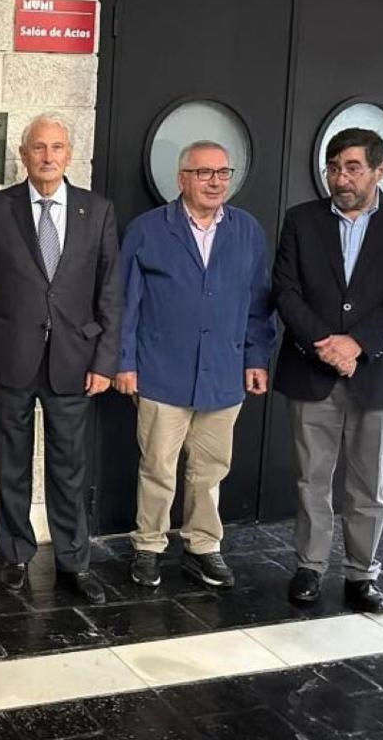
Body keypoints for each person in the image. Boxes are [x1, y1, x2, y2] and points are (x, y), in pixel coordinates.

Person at [0, 113, 121, 604]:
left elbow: (110, 292)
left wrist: (105, 361)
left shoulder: (98, 210)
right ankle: (15, 556)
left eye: (56, 147)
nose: (48, 157)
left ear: (69, 153)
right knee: (10, 463)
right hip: (9, 358)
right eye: (38, 148)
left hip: (75, 361)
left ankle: (74, 561)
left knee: (70, 467)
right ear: (23, 155)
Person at [273, 127, 383, 614]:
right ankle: (310, 566)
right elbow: (285, 290)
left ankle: (362, 575)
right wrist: (326, 343)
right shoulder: (301, 220)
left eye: (352, 168)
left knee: (368, 486)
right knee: (311, 479)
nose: (340, 178)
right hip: (313, 367)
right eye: (333, 167)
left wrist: (357, 343)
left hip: (380, 372)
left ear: (379, 171)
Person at [113, 141, 275, 589]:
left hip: (223, 374)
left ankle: (203, 546)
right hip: (162, 371)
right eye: (204, 173)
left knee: (210, 471)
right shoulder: (148, 230)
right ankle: (149, 546)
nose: (215, 182)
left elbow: (260, 304)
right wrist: (124, 362)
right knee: (158, 467)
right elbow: (126, 303)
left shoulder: (246, 230)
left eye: (223, 173)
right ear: (182, 178)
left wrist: (256, 357)